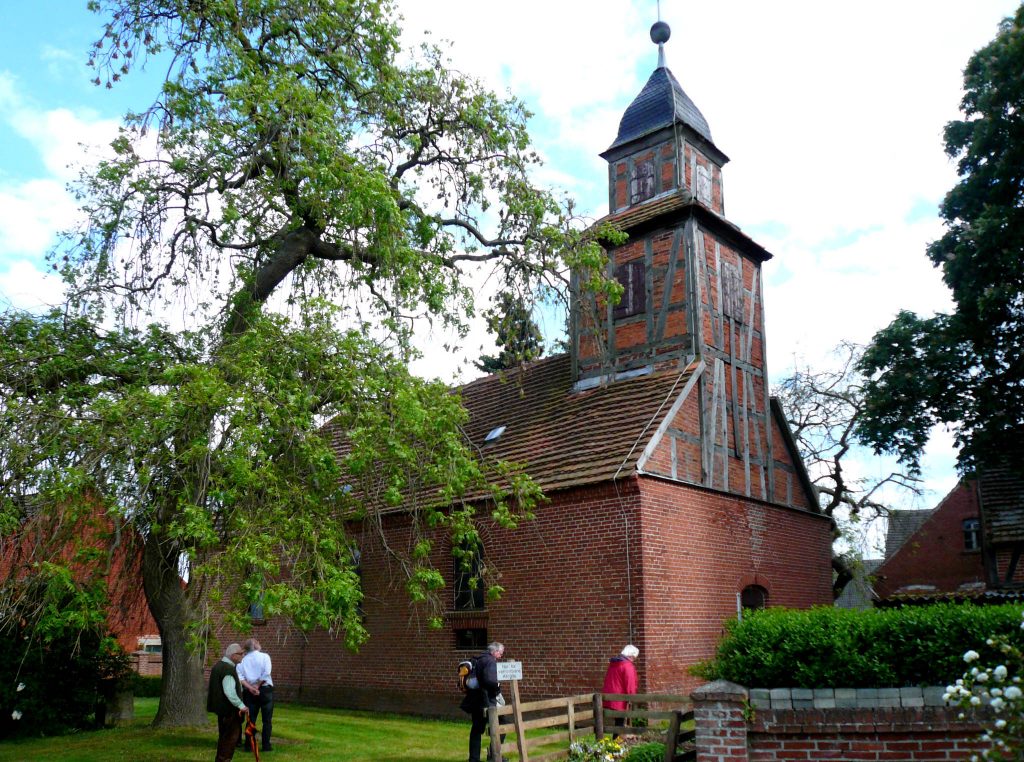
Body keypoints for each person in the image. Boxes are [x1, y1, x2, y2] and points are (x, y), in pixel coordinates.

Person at [460, 641, 505, 762]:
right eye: (500, 653)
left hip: (475, 700)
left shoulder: (477, 659)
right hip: (487, 701)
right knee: (503, 724)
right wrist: (497, 688)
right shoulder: (490, 661)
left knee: (476, 730)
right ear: (495, 652)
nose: (501, 656)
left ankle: (474, 759)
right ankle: (494, 755)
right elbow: (489, 681)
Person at [207, 642, 249, 762]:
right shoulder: (227, 669)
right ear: (233, 655)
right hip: (229, 711)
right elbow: (229, 692)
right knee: (230, 739)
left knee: (224, 737)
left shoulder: (219, 666)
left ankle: (220, 759)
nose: (242, 656)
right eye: (241, 654)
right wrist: (241, 706)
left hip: (223, 710)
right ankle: (224, 760)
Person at [238, 637, 274, 752]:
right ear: (255, 646)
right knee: (267, 719)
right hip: (265, 689)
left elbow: (241, 678)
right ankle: (266, 745)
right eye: (258, 642)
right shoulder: (265, 657)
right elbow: (266, 673)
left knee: (251, 719)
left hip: (249, 691)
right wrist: (257, 686)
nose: (259, 644)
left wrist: (251, 688)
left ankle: (248, 745)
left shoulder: (242, 660)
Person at [601, 644, 639, 737]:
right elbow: (630, 683)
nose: (633, 660)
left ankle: (616, 742)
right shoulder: (627, 666)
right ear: (631, 655)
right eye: (634, 658)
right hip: (620, 698)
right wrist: (632, 697)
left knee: (618, 721)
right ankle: (616, 743)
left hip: (610, 695)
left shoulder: (614, 664)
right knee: (620, 722)